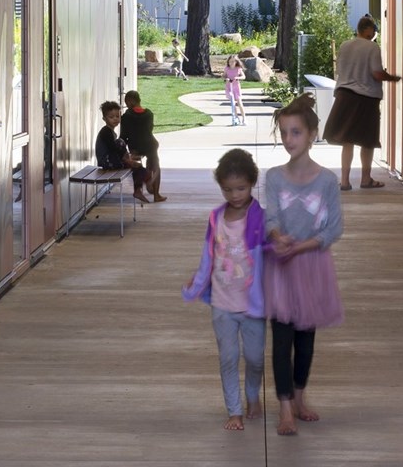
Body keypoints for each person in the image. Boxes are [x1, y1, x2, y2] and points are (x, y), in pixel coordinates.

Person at [263, 94, 343, 437]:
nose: (288, 140)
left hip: (311, 266)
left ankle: (299, 397)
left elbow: (334, 227)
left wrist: (303, 246)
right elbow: (271, 217)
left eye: (295, 132)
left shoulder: (326, 180)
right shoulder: (274, 177)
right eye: (283, 133)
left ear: (312, 134)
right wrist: (279, 236)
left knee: (305, 341)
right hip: (281, 266)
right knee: (281, 340)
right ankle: (284, 409)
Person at [182, 148, 266, 431]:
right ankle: (235, 411)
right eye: (228, 189)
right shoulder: (216, 218)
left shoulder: (261, 219)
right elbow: (208, 256)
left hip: (253, 305)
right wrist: (196, 284)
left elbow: (272, 260)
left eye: (241, 188)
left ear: (252, 183)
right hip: (222, 303)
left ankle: (253, 394)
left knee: (254, 358)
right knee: (228, 358)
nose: (235, 195)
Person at [324, 14, 399, 189]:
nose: (375, 33)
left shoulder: (344, 45)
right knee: (367, 140)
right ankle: (366, 179)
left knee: (347, 141)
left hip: (344, 96)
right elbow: (377, 74)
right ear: (369, 30)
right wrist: (393, 78)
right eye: (374, 30)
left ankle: (344, 181)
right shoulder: (372, 47)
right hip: (365, 98)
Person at [95, 101, 150, 204]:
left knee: (138, 167)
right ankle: (142, 173)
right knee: (120, 142)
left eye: (117, 116)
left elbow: (115, 149)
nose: (115, 119)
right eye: (111, 117)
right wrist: (126, 158)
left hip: (112, 160)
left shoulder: (111, 131)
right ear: (104, 119)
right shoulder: (106, 132)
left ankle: (138, 190)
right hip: (106, 162)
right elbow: (113, 148)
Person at [121, 90, 167, 201]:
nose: (126, 105)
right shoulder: (149, 114)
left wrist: (123, 150)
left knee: (136, 164)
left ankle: (138, 190)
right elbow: (149, 129)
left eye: (126, 102)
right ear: (139, 100)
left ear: (129, 101)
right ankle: (156, 195)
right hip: (150, 144)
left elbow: (124, 135)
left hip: (135, 146)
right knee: (155, 165)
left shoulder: (126, 116)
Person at [223, 55, 247, 126]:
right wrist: (226, 78)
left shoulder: (238, 68)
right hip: (229, 87)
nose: (231, 63)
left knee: (239, 102)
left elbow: (244, 77)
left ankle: (244, 118)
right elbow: (223, 76)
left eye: (233, 61)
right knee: (233, 104)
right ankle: (236, 118)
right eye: (230, 61)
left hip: (236, 87)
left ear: (236, 62)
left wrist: (237, 78)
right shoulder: (227, 68)